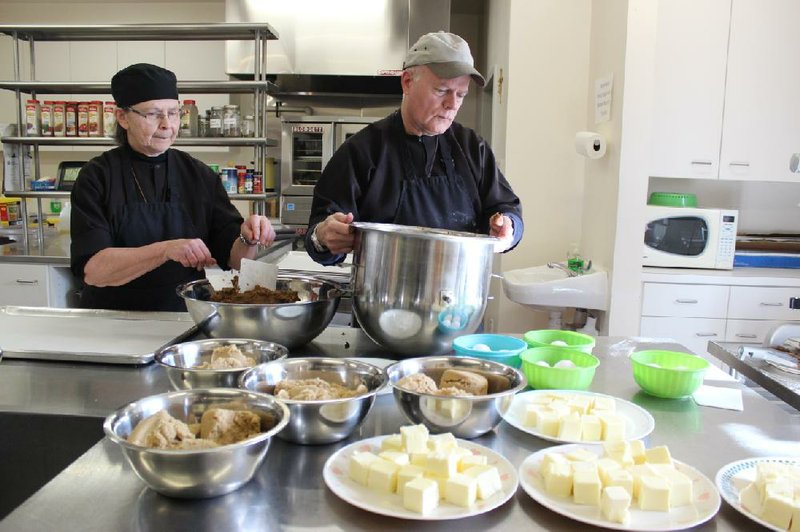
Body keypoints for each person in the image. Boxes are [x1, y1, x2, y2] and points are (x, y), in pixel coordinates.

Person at [70, 63, 275, 311]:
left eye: (174, 113)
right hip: (113, 319)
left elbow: (235, 262)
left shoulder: (198, 174)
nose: (167, 124)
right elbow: (94, 270)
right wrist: (166, 250)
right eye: (153, 114)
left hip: (186, 317)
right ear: (123, 117)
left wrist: (248, 237)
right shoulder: (97, 176)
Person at [305, 31, 523, 265]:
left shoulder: (472, 149)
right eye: (441, 91)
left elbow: (507, 209)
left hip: (460, 297)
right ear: (407, 82)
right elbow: (318, 236)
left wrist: (508, 228)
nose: (452, 105)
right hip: (382, 298)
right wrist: (325, 235)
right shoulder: (362, 151)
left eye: (461, 95)